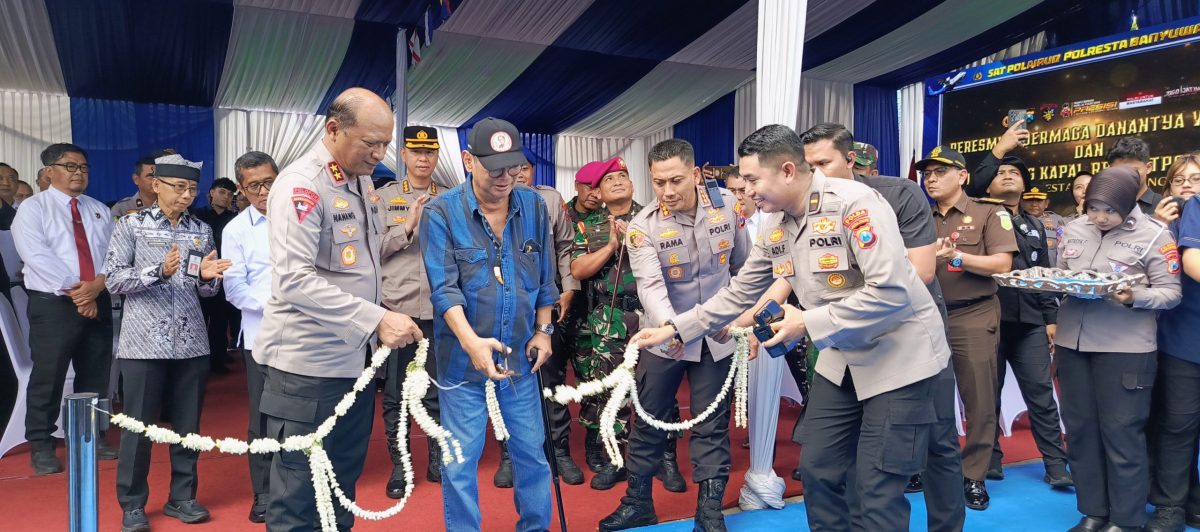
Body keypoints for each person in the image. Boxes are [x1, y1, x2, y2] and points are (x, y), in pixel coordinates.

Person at [636, 125, 951, 531]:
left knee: (876, 488)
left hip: (898, 360)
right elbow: (739, 292)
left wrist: (807, 321)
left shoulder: (856, 205)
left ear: (787, 171)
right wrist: (676, 329)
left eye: (751, 179)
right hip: (843, 359)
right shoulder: (774, 222)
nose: (745, 191)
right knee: (819, 471)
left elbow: (891, 292)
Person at [254, 88, 422, 531]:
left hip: (352, 362)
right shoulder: (302, 185)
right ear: (334, 129)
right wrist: (376, 318)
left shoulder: (359, 179)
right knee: (300, 496)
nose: (381, 153)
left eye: (385, 143)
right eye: (371, 142)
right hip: (307, 370)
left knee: (341, 485)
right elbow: (293, 279)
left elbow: (358, 262)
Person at [802, 123, 965, 532]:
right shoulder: (809, 204)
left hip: (911, 337)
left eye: (823, 163)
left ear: (850, 159)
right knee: (865, 455)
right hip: (852, 337)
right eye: (808, 165)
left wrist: (849, 294)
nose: (815, 173)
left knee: (938, 442)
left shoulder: (896, 194)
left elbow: (921, 272)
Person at [600, 139, 749, 531]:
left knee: (711, 424)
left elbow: (744, 268)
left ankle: (710, 512)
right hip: (664, 339)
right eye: (658, 182)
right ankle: (637, 502)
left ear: (696, 174)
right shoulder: (643, 226)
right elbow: (650, 287)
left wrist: (742, 321)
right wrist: (673, 329)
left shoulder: (728, 208)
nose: (667, 191)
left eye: (676, 180)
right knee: (647, 421)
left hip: (716, 338)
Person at [420, 117, 557, 530]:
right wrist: (471, 343)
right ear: (467, 160)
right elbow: (444, 290)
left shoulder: (533, 205)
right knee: (461, 459)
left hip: (521, 355)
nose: (505, 176)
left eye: (513, 165)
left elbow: (546, 276)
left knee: (531, 452)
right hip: (462, 364)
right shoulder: (440, 212)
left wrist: (544, 330)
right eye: (494, 166)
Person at [104, 154, 232, 532]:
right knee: (138, 428)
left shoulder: (201, 230)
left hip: (192, 342)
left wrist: (209, 278)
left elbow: (206, 290)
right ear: (155, 184)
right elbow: (113, 280)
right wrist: (157, 272)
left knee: (188, 426)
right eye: (179, 188)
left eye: (192, 189)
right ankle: (132, 504)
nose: (187, 196)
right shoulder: (131, 226)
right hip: (143, 344)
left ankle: (183, 497)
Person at [1055, 166, 1181, 532]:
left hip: (1125, 348)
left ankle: (1126, 520)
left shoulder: (1155, 234)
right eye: (1093, 207)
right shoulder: (1075, 228)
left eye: (1109, 210)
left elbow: (1171, 293)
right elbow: (1061, 271)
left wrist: (1134, 297)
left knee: (1122, 432)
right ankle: (1094, 511)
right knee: (1080, 431)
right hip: (1072, 343)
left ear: (1128, 203)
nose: (1100, 217)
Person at [569, 156, 677, 491]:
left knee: (660, 391)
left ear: (632, 184)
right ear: (598, 191)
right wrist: (613, 246)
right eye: (609, 179)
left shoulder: (657, 217)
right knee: (612, 392)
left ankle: (665, 458)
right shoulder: (590, 226)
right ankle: (617, 460)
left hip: (653, 316)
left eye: (623, 176)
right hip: (610, 318)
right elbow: (578, 269)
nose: (617, 182)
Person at [920, 145, 1017, 511]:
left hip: (971, 314)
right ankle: (924, 466)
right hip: (926, 316)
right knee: (925, 397)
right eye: (927, 173)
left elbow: (1002, 264)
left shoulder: (989, 212)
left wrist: (957, 256)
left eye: (939, 172)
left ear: (962, 176)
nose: (931, 178)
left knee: (978, 397)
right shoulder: (917, 216)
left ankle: (973, 474)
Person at [12, 143, 116, 475]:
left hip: (95, 297)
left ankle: (90, 437)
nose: (78, 173)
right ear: (48, 172)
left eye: (83, 167)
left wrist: (95, 288)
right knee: (49, 374)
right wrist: (79, 293)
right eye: (70, 166)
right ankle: (40, 443)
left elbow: (114, 256)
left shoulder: (98, 208)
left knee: (95, 373)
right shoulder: (32, 209)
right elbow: (37, 256)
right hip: (54, 304)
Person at [970, 155, 1072, 488]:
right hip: (988, 318)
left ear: (1025, 185)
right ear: (987, 183)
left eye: (1015, 173)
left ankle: (1056, 464)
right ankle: (990, 460)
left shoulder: (1034, 225)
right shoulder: (977, 218)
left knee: (1041, 394)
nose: (1009, 176)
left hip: (1028, 321)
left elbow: (1042, 276)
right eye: (1001, 173)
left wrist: (1051, 319)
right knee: (987, 395)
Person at [376, 125, 447, 497]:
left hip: (439, 311)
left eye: (430, 152)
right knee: (396, 395)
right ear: (403, 155)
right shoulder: (383, 198)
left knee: (437, 391)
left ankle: (438, 459)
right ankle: (401, 465)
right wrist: (406, 227)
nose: (423, 159)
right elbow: (372, 252)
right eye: (416, 152)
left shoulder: (452, 199)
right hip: (398, 312)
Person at [509, 151, 586, 486]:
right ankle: (511, 458)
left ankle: (559, 450)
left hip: (546, 302)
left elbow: (566, 246)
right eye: (512, 168)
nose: (518, 174)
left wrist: (568, 287)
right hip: (507, 305)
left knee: (550, 377)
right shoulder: (492, 199)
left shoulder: (551, 199)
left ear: (533, 170)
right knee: (508, 379)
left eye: (524, 168)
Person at [220, 150, 277, 523]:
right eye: (254, 185)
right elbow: (234, 290)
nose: (263, 191)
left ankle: (301, 485)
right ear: (241, 189)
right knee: (262, 419)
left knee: (304, 415)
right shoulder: (236, 229)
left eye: (269, 182)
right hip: (261, 337)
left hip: (307, 337)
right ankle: (264, 494)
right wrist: (277, 305)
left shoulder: (302, 215)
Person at [1146, 152, 1200, 532]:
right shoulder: (1183, 216)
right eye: (1180, 178)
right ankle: (1170, 507)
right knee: (1178, 425)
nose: (1187, 184)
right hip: (1183, 338)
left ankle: (1192, 502)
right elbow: (1192, 260)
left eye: (1195, 177)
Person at [194, 177, 239, 373]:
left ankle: (218, 361)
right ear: (211, 193)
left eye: (230, 195)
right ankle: (198, 361)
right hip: (199, 274)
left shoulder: (235, 220)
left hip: (224, 274)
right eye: (222, 192)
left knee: (220, 320)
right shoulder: (197, 216)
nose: (226, 197)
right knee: (199, 318)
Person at [1105, 136, 1161, 216]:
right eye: (1119, 171)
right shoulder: (1103, 206)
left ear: (1148, 168)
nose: (1126, 176)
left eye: (1133, 170)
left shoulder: (1163, 207)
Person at [1020, 187, 1067, 265]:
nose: (1034, 204)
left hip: (1052, 271)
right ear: (1021, 202)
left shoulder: (1057, 221)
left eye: (1039, 200)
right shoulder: (1017, 220)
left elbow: (1063, 247)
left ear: (1046, 203)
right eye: (1029, 200)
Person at [0, 163, 19, 229]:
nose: (6, 183)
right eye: (0, 178)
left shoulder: (26, 209)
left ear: (17, 185)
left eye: (11, 179)